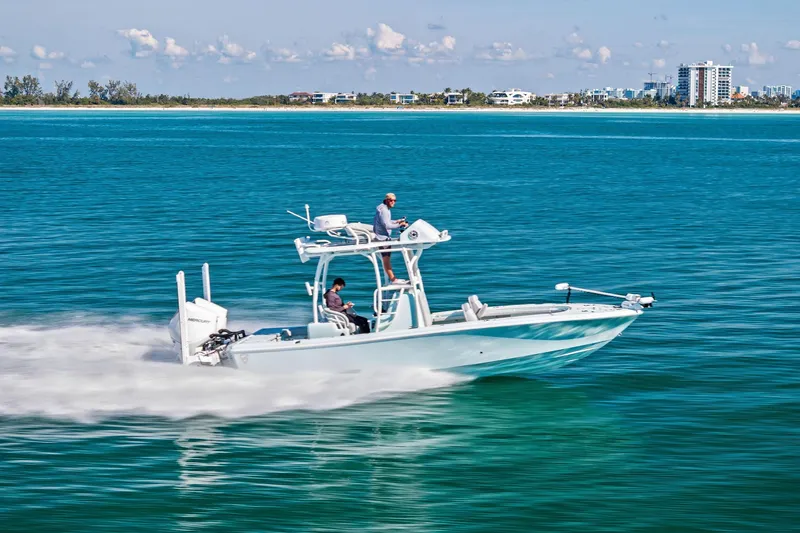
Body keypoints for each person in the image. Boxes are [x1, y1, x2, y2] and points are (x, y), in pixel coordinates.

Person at [373, 192, 409, 283]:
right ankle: (393, 279)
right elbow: (387, 225)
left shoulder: (383, 208)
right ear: (386, 200)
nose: (393, 202)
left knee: (386, 259)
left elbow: (386, 222)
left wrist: (397, 221)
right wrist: (400, 225)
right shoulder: (384, 210)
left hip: (382, 236)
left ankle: (393, 278)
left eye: (394, 200)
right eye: (390, 200)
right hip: (382, 238)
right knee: (386, 259)